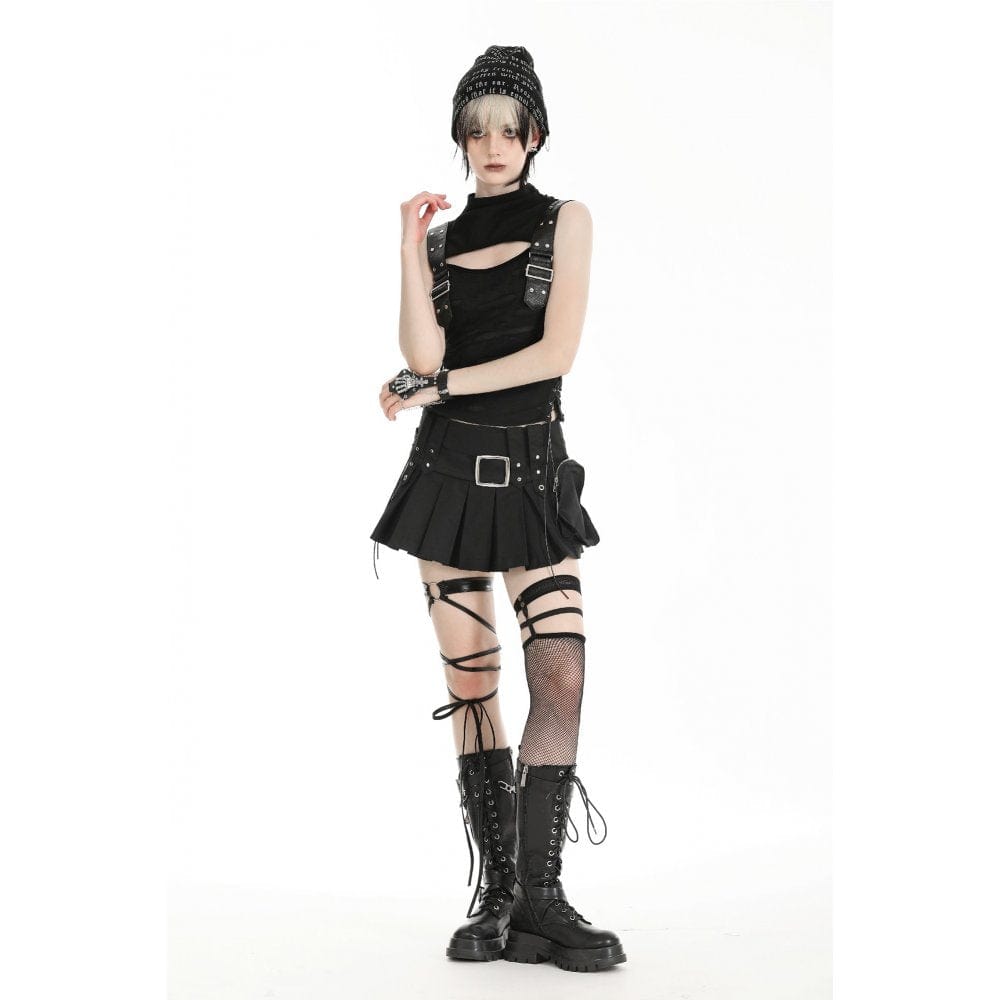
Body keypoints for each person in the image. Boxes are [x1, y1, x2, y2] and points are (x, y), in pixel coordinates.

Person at [369, 45, 626, 974]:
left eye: (507, 129)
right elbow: (422, 352)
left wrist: (439, 388)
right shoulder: (442, 243)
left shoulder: (566, 222)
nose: (491, 145)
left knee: (560, 672)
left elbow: (554, 355)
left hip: (532, 475)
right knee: (473, 688)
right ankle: (500, 895)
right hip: (447, 477)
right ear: (461, 138)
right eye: (476, 131)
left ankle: (544, 900)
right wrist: (409, 249)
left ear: (534, 136)